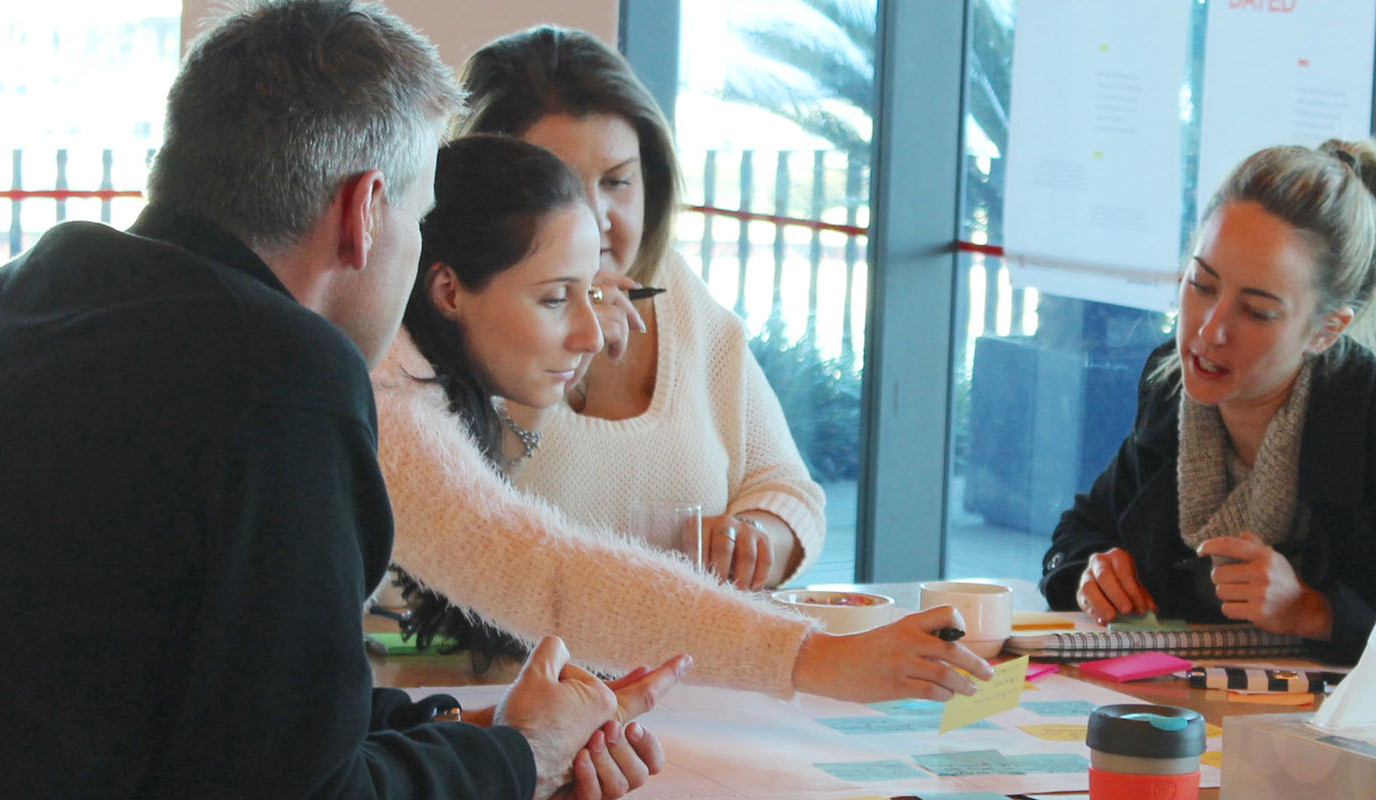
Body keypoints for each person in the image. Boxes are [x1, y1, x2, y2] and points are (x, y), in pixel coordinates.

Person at [0, 2, 678, 799]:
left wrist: (478, 733)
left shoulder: (30, 295)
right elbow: (309, 790)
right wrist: (524, 760)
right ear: (363, 212)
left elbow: (244, 709)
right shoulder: (277, 377)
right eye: (419, 218)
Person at [374, 138, 993, 701]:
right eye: (556, 298)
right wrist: (816, 656)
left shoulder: (410, 361)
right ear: (448, 291)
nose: (592, 334)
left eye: (593, 290)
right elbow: (543, 573)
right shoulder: (384, 391)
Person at [1040, 141, 1376, 658]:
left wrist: (1317, 614)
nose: (1210, 332)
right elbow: (1083, 531)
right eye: (1202, 284)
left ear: (1326, 330)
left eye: (1256, 312)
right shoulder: (1172, 388)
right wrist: (1090, 571)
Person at [459, 26, 825, 591]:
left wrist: (756, 538)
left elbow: (785, 486)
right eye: (559, 186)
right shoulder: (453, 312)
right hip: (508, 680)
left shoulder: (677, 292)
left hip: (685, 671)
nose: (598, 217)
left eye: (617, 182)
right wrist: (564, 354)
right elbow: (452, 523)